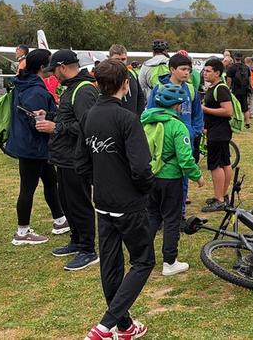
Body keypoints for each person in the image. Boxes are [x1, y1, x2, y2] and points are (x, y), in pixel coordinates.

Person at [78, 60, 154, 340]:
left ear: (97, 83)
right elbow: (141, 167)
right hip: (128, 204)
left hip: (103, 202)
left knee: (110, 265)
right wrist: (143, 190)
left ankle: (124, 327)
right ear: (126, 84)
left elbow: (81, 162)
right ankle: (104, 326)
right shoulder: (127, 119)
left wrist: (101, 183)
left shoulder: (88, 116)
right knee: (143, 261)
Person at [35, 49, 100, 271]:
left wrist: (56, 127)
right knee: (67, 202)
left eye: (54, 70)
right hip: (64, 157)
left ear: (63, 67)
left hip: (76, 158)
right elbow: (70, 117)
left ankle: (88, 250)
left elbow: (88, 125)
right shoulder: (71, 89)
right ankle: (76, 240)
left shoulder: (83, 91)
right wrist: (50, 116)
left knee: (79, 203)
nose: (53, 75)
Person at [4, 49, 67, 246]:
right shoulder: (36, 91)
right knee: (27, 188)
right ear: (42, 67)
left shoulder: (24, 84)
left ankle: (60, 220)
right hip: (33, 146)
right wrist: (53, 118)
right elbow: (38, 123)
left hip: (32, 145)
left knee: (50, 180)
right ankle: (22, 232)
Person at [142, 83, 204, 276]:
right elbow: (185, 159)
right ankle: (169, 262)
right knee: (171, 219)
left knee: (152, 216)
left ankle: (142, 256)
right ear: (178, 105)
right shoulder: (178, 126)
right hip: (171, 179)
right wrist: (197, 176)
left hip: (151, 176)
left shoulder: (145, 121)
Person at [147, 53, 204, 215]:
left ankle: (180, 213)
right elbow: (151, 114)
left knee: (183, 178)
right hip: (163, 143)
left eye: (189, 69)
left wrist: (193, 131)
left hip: (185, 141)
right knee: (159, 176)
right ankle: (157, 214)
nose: (187, 72)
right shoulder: (159, 89)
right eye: (183, 69)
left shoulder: (191, 90)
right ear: (172, 69)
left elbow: (197, 116)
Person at [200, 58, 235, 213]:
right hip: (218, 131)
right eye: (204, 70)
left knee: (216, 165)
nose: (204, 73)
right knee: (225, 163)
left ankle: (219, 199)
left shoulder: (221, 89)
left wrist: (205, 109)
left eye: (208, 71)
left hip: (219, 132)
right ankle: (223, 194)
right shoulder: (214, 87)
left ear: (217, 73)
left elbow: (228, 111)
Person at [109, 44, 146, 116]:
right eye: (117, 59)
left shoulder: (133, 73)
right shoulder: (106, 77)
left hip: (132, 120)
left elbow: (140, 97)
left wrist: (139, 118)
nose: (120, 62)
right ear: (110, 59)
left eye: (123, 59)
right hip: (115, 120)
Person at [226, 52, 252, 130]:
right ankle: (247, 123)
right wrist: (249, 87)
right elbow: (249, 80)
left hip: (235, 90)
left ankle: (235, 121)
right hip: (244, 90)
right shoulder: (246, 67)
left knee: (234, 106)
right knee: (245, 107)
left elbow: (229, 81)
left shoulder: (231, 68)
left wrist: (227, 89)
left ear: (234, 58)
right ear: (241, 58)